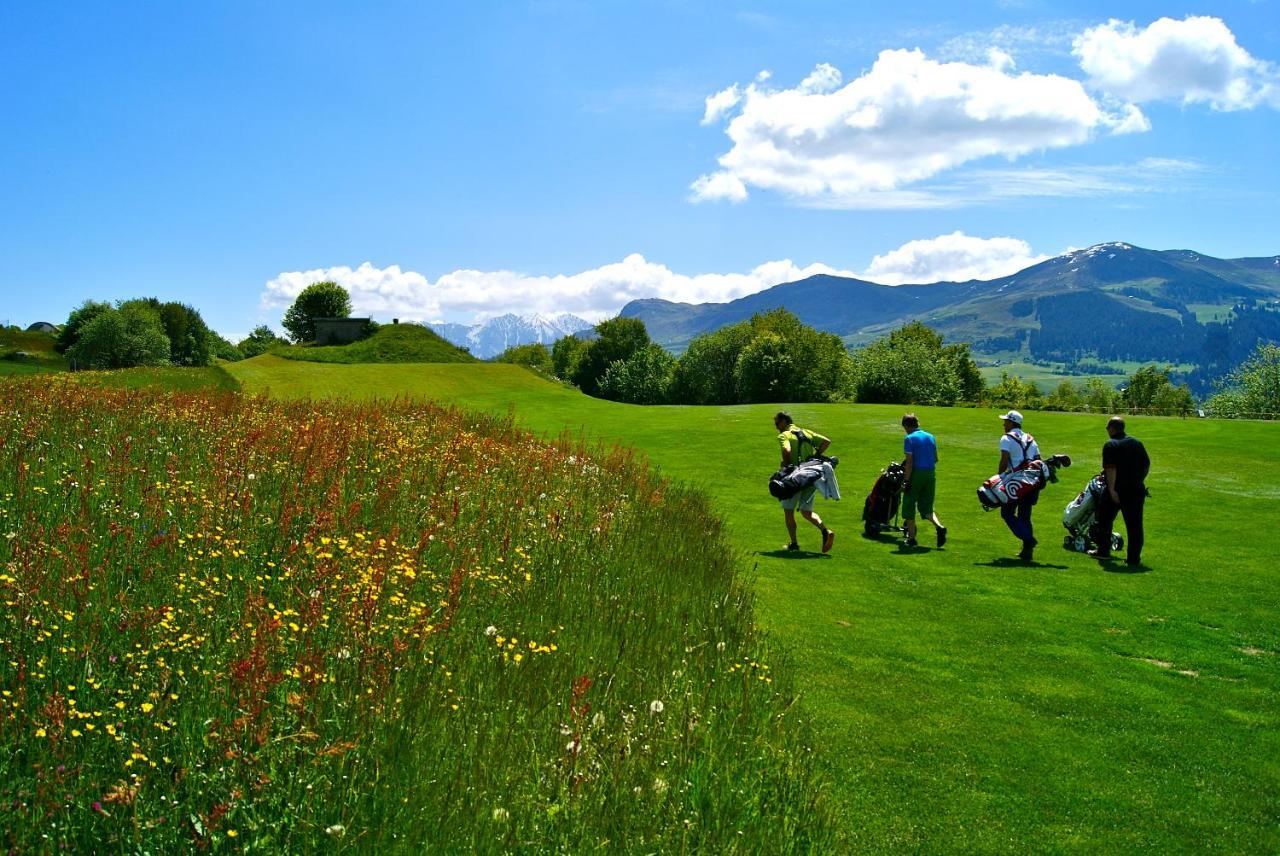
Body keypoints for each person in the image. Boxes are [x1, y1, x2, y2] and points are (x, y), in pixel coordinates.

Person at [1088, 416, 1150, 566]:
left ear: (1112, 428)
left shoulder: (1110, 444)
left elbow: (1110, 469)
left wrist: (1112, 490)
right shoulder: (1136, 443)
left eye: (1107, 427)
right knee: (1135, 525)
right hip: (1136, 489)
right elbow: (1146, 464)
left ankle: (1103, 551)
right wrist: (1139, 481)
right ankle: (1133, 558)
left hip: (1118, 489)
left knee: (1104, 520)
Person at [773, 411, 836, 554]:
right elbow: (826, 442)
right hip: (810, 477)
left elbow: (786, 449)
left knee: (788, 512)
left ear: (784, 422)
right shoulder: (805, 432)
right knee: (806, 512)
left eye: (777, 424)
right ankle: (826, 531)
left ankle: (794, 544)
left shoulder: (784, 435)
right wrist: (815, 456)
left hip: (793, 479)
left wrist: (787, 465)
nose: (777, 427)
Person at [997, 410, 1040, 561]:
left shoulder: (1006, 439)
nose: (1003, 424)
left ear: (1011, 423)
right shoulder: (1031, 440)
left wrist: (999, 478)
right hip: (1031, 481)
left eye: (1006, 421)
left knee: (1007, 513)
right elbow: (1038, 460)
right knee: (1025, 516)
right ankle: (1027, 551)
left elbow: (1004, 460)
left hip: (1015, 482)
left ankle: (1028, 540)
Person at [900, 413, 946, 548]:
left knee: (908, 505)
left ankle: (912, 539)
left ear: (907, 426)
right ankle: (939, 526)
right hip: (930, 474)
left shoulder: (909, 438)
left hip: (917, 474)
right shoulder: (930, 436)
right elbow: (936, 458)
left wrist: (906, 480)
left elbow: (909, 462)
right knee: (927, 507)